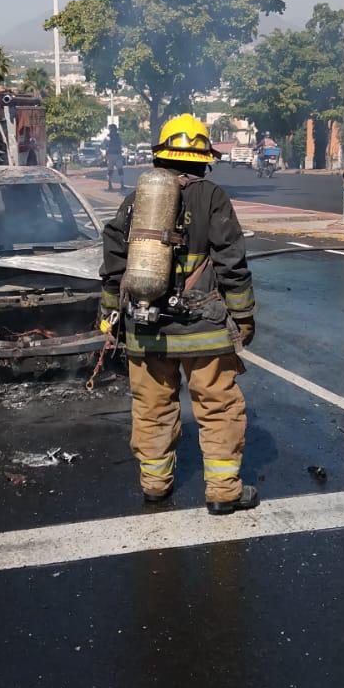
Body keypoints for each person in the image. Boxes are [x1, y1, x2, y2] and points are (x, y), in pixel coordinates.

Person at [100, 114, 259, 515]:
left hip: (144, 323)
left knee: (152, 407)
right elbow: (231, 262)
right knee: (218, 406)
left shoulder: (138, 197)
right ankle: (223, 491)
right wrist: (243, 315)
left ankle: (155, 484)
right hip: (202, 328)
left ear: (162, 156)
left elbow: (114, 257)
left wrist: (109, 313)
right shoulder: (213, 196)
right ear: (203, 157)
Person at [103, 123, 125, 191]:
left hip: (110, 155)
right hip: (118, 155)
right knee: (120, 170)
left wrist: (105, 156)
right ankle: (122, 186)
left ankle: (110, 186)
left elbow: (104, 147)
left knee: (110, 171)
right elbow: (122, 145)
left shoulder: (107, 137)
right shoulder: (118, 137)